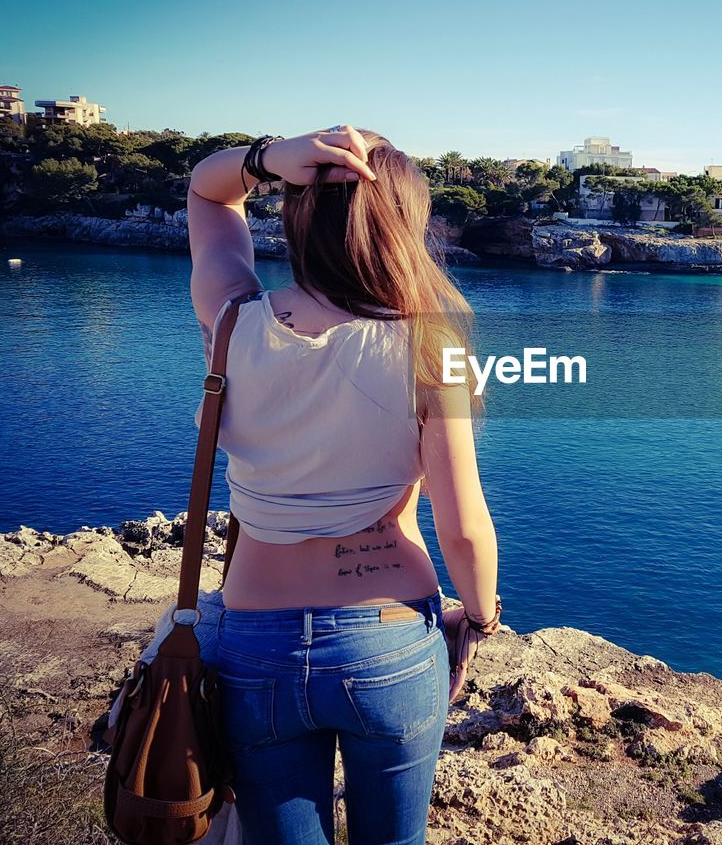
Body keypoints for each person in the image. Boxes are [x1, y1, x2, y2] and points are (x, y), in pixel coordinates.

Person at [186, 126, 500, 845]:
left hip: (255, 640)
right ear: (407, 226)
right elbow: (464, 527)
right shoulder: (431, 348)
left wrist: (267, 160)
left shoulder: (233, 321)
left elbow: (207, 191)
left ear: (296, 217)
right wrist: (477, 619)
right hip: (388, 636)